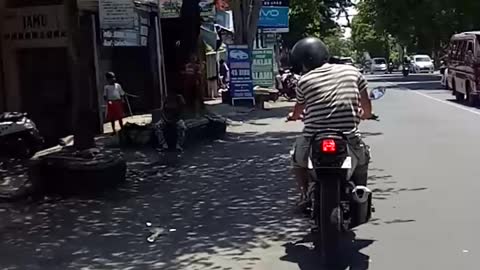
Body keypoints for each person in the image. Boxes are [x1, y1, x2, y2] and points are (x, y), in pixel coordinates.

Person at [287, 37, 373, 210]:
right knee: (362, 161)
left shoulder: (304, 81)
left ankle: (304, 195)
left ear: (304, 62)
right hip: (347, 135)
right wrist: (366, 114)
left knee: (297, 161)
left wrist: (293, 116)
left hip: (314, 137)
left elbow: (298, 110)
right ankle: (360, 192)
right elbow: (366, 106)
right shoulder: (352, 72)